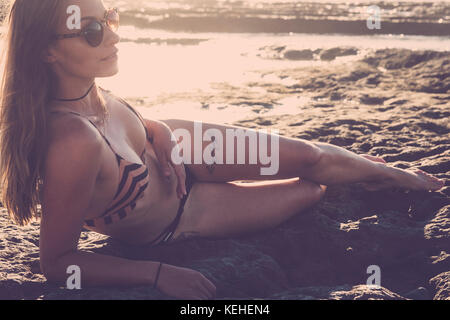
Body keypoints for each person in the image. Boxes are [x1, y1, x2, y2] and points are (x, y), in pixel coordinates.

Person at [0, 0, 444, 300]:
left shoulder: (89, 89)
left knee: (311, 155)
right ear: (47, 53)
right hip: (183, 214)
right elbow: (56, 263)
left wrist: (155, 131)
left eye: (111, 18)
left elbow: (120, 127)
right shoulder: (70, 143)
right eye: (92, 31)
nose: (112, 36)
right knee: (309, 189)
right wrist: (157, 273)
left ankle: (392, 173)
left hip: (182, 147)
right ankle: (368, 170)